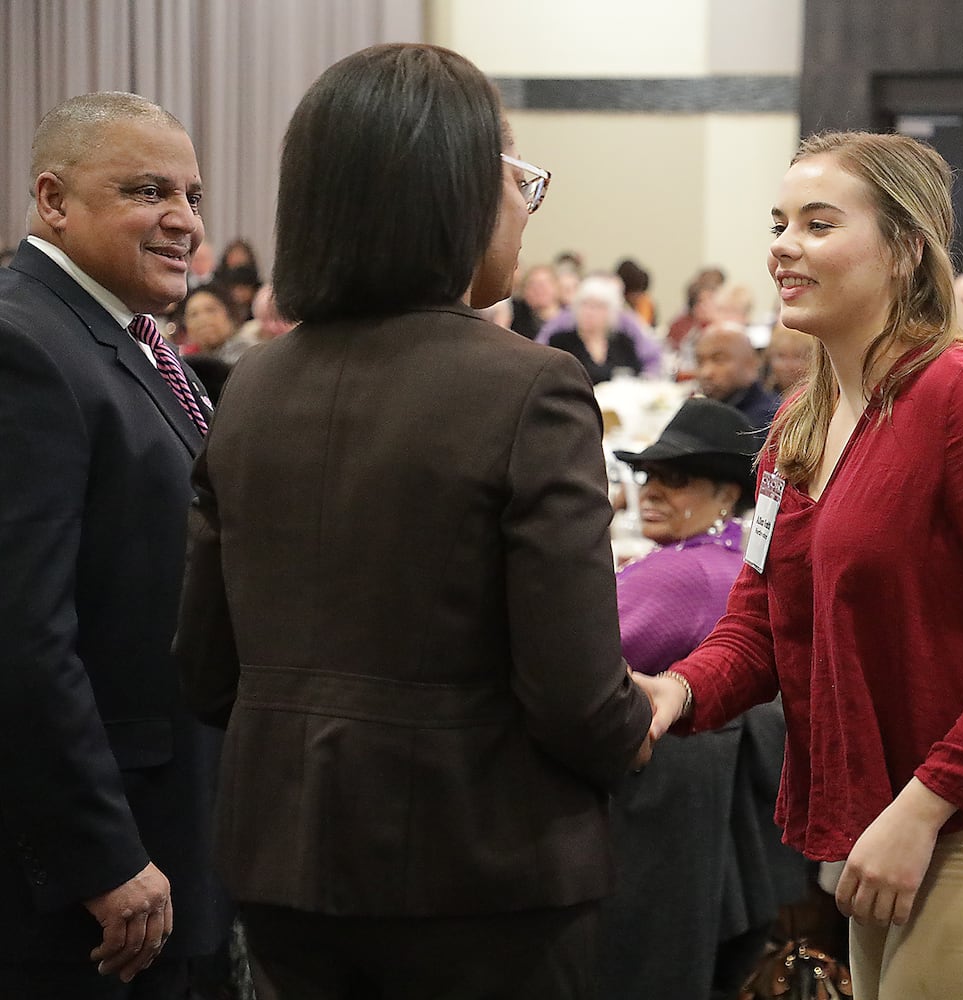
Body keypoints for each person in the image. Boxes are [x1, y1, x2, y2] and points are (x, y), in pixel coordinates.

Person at [172, 43, 652, 999]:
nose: (526, 201)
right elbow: (576, 694)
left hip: (282, 860)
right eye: (519, 174)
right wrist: (640, 723)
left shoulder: (253, 384)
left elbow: (204, 667)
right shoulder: (531, 386)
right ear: (454, 193)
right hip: (480, 870)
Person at [636, 130, 963, 1000]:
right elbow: (761, 618)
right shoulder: (800, 422)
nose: (785, 245)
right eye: (779, 222)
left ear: (905, 249)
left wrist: (925, 805)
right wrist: (679, 690)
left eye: (819, 224)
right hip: (894, 823)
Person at [0, 91, 228, 997]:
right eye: (147, 191)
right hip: (95, 880)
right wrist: (100, 853)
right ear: (54, 200)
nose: (184, 221)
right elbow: (22, 634)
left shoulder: (122, 342)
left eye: (194, 195)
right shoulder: (25, 348)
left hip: (163, 835)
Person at [600, 397, 806, 1000]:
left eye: (677, 477)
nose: (654, 491)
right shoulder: (734, 554)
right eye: (648, 476)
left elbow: (578, 657)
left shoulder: (683, 574)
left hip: (656, 823)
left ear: (726, 494)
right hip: (713, 823)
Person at [547, 273, 644, 383]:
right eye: (584, 304)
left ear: (610, 312)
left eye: (597, 306)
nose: (589, 312)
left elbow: (637, 377)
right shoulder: (560, 342)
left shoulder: (623, 342)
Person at [694, 320, 781, 427]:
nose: (706, 373)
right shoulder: (707, 411)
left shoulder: (767, 421)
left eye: (719, 360)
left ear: (750, 363)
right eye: (700, 361)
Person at [180, 284, 253, 363]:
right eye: (193, 314)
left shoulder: (248, 355)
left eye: (211, 310)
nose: (203, 319)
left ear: (230, 314)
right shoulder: (182, 363)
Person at [508, 263, 559, 339]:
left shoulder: (572, 322)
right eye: (532, 284)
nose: (538, 289)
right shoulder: (515, 321)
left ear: (557, 286)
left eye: (543, 284)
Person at [764, 321, 816, 397]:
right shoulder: (762, 395)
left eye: (797, 356)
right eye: (781, 356)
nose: (788, 365)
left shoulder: (817, 398)